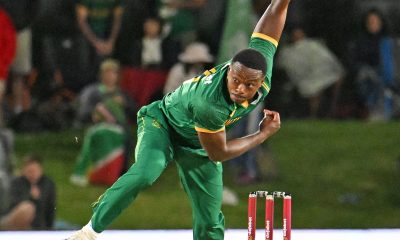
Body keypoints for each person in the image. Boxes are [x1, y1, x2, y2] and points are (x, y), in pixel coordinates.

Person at [66, 0, 290, 239]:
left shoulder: (259, 67)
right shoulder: (211, 104)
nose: (240, 89)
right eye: (235, 80)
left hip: (197, 141)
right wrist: (263, 134)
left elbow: (272, 20)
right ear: (229, 71)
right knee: (146, 172)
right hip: (163, 124)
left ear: (261, 81)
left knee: (210, 218)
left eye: (249, 85)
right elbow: (219, 153)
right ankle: (88, 232)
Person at [277, 25, 345, 118]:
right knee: (314, 89)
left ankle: (331, 111)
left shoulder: (312, 44)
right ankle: (313, 113)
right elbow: (289, 66)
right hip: (305, 78)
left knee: (337, 79)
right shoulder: (288, 51)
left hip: (321, 73)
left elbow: (326, 58)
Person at [349, 8, 395, 120]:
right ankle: (377, 113)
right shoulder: (360, 42)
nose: (373, 24)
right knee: (372, 80)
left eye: (375, 21)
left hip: (387, 75)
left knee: (386, 81)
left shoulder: (388, 42)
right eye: (370, 22)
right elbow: (354, 63)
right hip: (367, 76)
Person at [0, 154, 56, 230]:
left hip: (40, 225)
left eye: (35, 171)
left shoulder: (48, 184)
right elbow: (11, 204)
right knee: (26, 208)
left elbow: (51, 208)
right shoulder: (16, 183)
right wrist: (30, 197)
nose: (33, 174)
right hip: (15, 222)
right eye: (30, 171)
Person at [75, 0, 124, 85]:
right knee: (87, 69)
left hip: (107, 36)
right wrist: (96, 42)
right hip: (87, 37)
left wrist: (111, 41)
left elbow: (117, 20)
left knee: (108, 66)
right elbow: (81, 22)